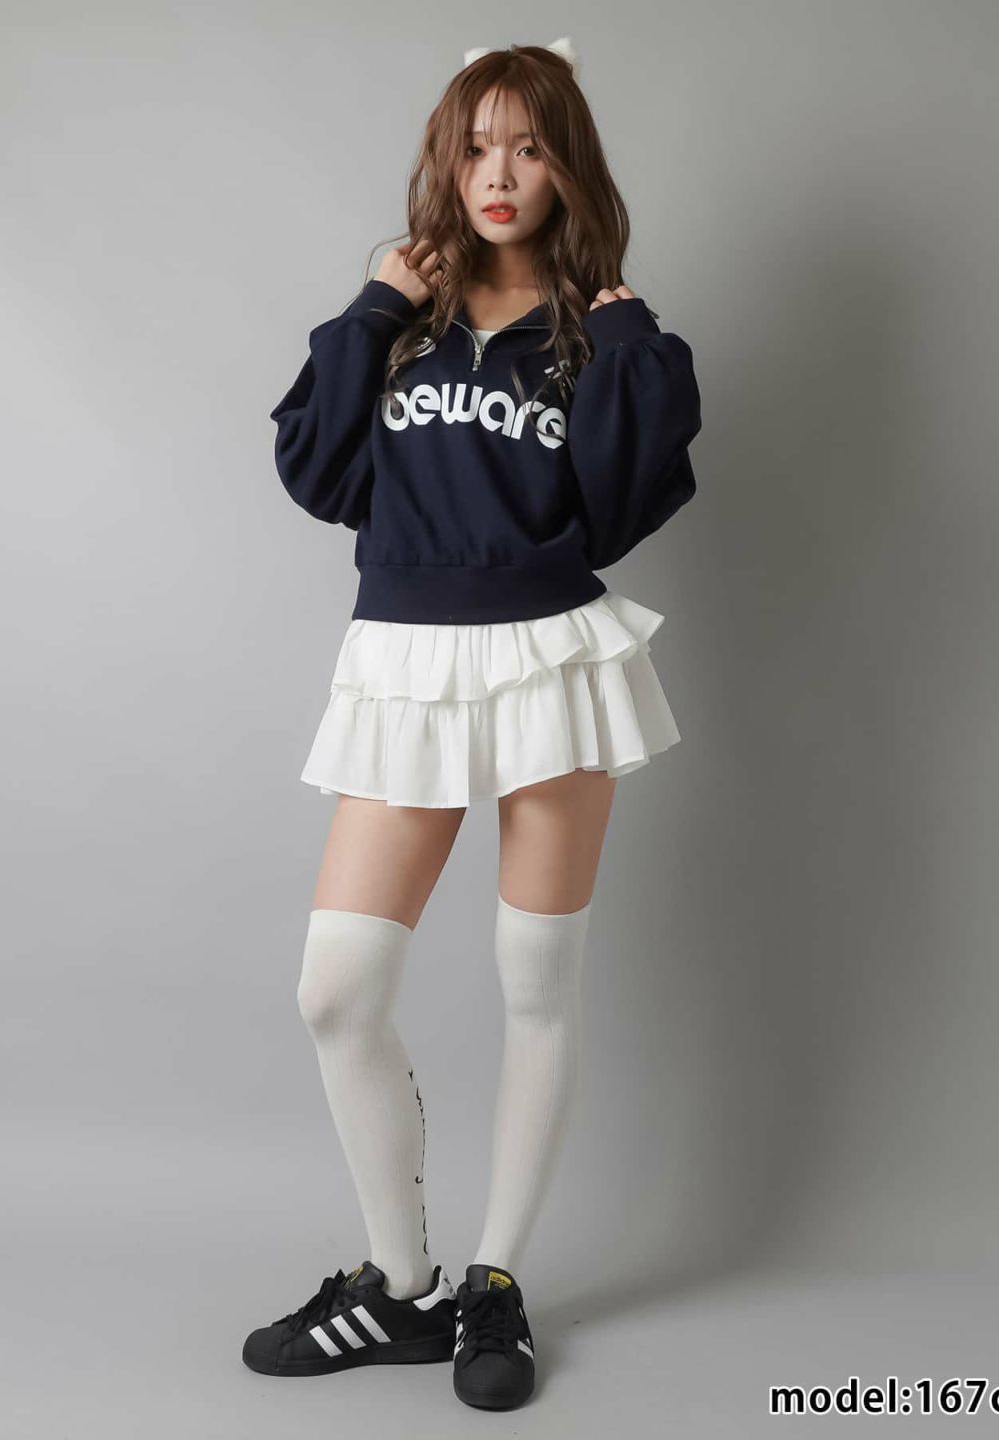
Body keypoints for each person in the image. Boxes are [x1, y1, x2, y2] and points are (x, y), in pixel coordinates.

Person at [242, 36, 702, 1411]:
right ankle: (400, 1286)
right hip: (406, 662)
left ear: (567, 167)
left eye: (530, 147)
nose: (499, 174)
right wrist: (375, 306)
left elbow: (619, 506)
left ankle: (493, 1284)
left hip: (548, 659)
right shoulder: (408, 318)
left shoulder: (597, 331)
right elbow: (317, 470)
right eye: (476, 146)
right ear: (447, 162)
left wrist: (628, 343)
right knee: (337, 989)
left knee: (533, 983)